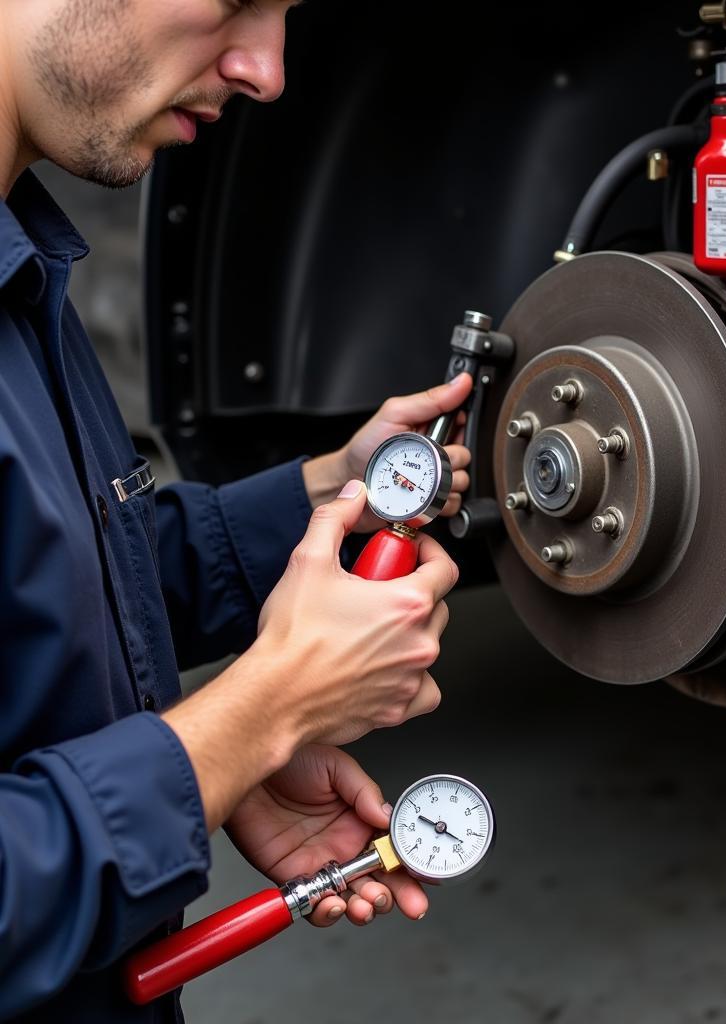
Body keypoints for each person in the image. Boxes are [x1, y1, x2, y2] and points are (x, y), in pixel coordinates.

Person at [0, 2, 473, 1020]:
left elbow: (43, 588)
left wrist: (331, 487)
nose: (267, 70)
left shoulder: (23, 258)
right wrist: (254, 715)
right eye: (236, 0)